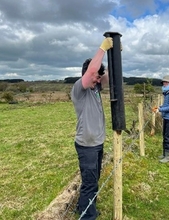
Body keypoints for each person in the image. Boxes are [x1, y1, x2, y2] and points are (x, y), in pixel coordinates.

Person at [71, 37, 113, 220]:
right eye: (96, 77)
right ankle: (88, 216)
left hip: (96, 143)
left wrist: (114, 53)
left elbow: (108, 76)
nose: (98, 80)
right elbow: (92, 72)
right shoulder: (79, 89)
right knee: (90, 183)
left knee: (92, 181)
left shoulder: (95, 89)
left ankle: (84, 208)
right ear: (87, 74)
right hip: (86, 145)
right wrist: (102, 48)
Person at [153, 75, 169, 163]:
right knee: (164, 136)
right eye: (163, 82)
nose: (164, 84)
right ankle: (165, 154)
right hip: (166, 117)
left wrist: (160, 110)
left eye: (165, 82)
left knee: (168, 137)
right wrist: (159, 107)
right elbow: (166, 105)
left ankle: (168, 156)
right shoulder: (167, 91)